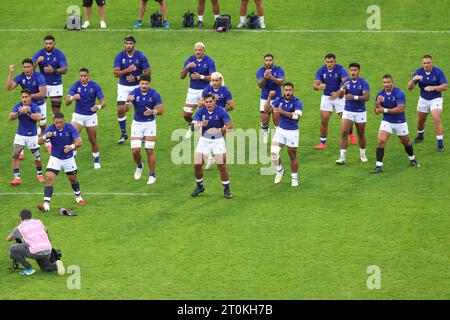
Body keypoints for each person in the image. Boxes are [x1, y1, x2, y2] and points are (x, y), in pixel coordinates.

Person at [370, 75, 421, 173]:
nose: (386, 84)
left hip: (399, 122)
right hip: (387, 122)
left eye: (388, 82)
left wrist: (384, 110)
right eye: (384, 82)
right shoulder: (380, 94)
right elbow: (376, 112)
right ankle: (378, 166)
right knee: (381, 141)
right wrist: (377, 103)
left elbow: (400, 109)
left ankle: (412, 159)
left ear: (392, 82)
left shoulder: (399, 93)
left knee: (406, 142)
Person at [37, 113, 84, 212]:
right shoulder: (50, 128)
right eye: (56, 122)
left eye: (60, 122)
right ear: (54, 122)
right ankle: (46, 204)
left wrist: (71, 147)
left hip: (68, 159)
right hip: (55, 158)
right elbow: (39, 142)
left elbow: (79, 141)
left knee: (73, 179)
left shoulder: (70, 128)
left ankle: (78, 196)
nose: (58, 124)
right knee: (49, 178)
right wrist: (45, 136)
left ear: (64, 121)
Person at [191, 94, 233, 199]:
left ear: (214, 101)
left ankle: (226, 189)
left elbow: (230, 127)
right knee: (197, 164)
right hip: (204, 140)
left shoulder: (221, 111)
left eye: (210, 101)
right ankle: (199, 186)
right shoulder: (201, 111)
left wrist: (219, 130)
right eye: (206, 102)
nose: (208, 104)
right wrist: (200, 124)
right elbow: (192, 127)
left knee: (221, 166)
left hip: (218, 141)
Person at [312, 53, 357, 149]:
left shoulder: (340, 69)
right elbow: (314, 85)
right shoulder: (321, 69)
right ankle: (322, 143)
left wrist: (337, 93)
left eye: (331, 62)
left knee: (345, 120)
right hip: (326, 97)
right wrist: (319, 86)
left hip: (339, 97)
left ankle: (351, 133)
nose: (329, 64)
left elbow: (345, 82)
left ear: (335, 62)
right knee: (324, 120)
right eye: (327, 62)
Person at [6, 58, 49, 155]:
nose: (26, 69)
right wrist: (10, 73)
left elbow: (42, 94)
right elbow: (9, 87)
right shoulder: (21, 76)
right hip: (26, 104)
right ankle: (21, 148)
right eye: (25, 67)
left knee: (42, 123)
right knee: (25, 123)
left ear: (33, 67)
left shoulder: (39, 77)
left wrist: (28, 96)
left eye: (28, 67)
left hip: (39, 104)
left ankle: (47, 140)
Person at [125, 75, 163, 185]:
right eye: (142, 83)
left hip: (150, 124)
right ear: (139, 83)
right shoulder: (133, 93)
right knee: (135, 151)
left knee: (149, 149)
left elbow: (161, 110)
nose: (144, 86)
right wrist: (128, 101)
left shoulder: (154, 94)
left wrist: (153, 112)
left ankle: (152, 175)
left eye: (146, 84)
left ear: (149, 84)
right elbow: (126, 110)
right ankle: (139, 165)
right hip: (137, 124)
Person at [114, 35, 151, 144]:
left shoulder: (140, 56)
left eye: (130, 43)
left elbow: (148, 72)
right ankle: (124, 133)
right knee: (121, 110)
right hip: (123, 87)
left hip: (137, 87)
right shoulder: (119, 56)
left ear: (134, 44)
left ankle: (144, 134)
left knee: (143, 110)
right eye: (126, 43)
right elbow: (116, 73)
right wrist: (127, 70)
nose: (128, 46)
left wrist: (136, 78)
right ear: (124, 44)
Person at [66, 68, 106, 169]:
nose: (83, 78)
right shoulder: (75, 85)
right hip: (78, 116)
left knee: (92, 139)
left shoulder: (95, 86)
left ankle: (96, 160)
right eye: (81, 76)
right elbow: (67, 102)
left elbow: (103, 102)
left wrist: (98, 107)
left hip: (91, 116)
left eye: (84, 76)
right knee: (74, 138)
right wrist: (71, 98)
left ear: (88, 76)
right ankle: (72, 161)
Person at [264, 83, 302, 187]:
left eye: (290, 90)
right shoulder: (279, 100)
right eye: (286, 90)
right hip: (281, 131)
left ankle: (294, 178)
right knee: (273, 153)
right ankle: (280, 171)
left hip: (292, 132)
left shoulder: (297, 102)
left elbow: (297, 117)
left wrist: (283, 112)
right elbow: (267, 110)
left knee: (292, 155)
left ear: (293, 91)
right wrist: (269, 97)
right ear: (283, 90)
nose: (288, 92)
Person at [7, 209, 65, 276]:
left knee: (13, 249)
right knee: (45, 268)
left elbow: (9, 239)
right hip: (48, 250)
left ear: (20, 218)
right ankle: (57, 265)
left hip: (35, 251)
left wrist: (19, 238)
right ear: (31, 216)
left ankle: (28, 269)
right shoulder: (38, 222)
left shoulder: (19, 227)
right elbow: (46, 230)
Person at [407, 55, 448, 152]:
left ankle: (440, 145)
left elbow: (445, 86)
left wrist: (433, 88)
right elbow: (409, 88)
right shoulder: (419, 72)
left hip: (436, 99)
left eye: (428, 63)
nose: (426, 65)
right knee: (421, 121)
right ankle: (420, 136)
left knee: (436, 119)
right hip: (423, 99)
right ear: (422, 63)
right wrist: (413, 79)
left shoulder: (438, 72)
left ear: (432, 62)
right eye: (424, 63)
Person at [336, 63, 370, 165]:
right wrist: (343, 88)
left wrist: (354, 97)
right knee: (344, 132)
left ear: (359, 71)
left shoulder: (363, 82)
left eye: (355, 70)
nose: (353, 72)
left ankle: (362, 154)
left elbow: (367, 97)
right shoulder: (346, 82)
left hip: (360, 112)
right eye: (351, 70)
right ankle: (342, 157)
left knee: (361, 134)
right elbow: (341, 96)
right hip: (348, 111)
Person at [180, 42, 216, 139]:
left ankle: (198, 131)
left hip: (205, 91)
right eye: (196, 50)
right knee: (186, 115)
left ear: (204, 50)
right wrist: (187, 67)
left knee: (203, 113)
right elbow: (181, 76)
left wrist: (200, 76)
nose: (198, 52)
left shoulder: (209, 61)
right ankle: (193, 125)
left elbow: (213, 78)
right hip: (192, 91)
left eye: (200, 50)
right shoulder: (190, 60)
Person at [198, 72, 234, 169]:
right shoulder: (207, 90)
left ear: (220, 81)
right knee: (206, 136)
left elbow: (231, 106)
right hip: (207, 116)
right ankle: (210, 157)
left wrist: (221, 110)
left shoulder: (225, 91)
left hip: (221, 118)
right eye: (212, 80)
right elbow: (200, 104)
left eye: (216, 80)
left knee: (218, 137)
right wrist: (210, 102)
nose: (214, 82)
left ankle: (215, 156)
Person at [8, 90, 44, 186]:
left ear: (30, 97)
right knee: (15, 155)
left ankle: (39, 174)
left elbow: (39, 117)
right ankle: (17, 177)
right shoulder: (18, 106)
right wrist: (19, 112)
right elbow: (10, 117)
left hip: (32, 136)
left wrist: (28, 112)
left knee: (37, 158)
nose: (24, 99)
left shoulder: (34, 106)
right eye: (23, 97)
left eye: (26, 97)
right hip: (20, 135)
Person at [32, 35, 68, 116]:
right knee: (38, 108)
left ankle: (55, 127)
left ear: (54, 43)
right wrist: (37, 62)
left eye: (50, 43)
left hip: (56, 85)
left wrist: (53, 70)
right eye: (46, 43)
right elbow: (30, 70)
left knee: (56, 110)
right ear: (44, 43)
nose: (48, 45)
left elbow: (65, 70)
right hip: (42, 86)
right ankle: (41, 127)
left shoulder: (59, 54)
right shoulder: (39, 53)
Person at [256, 54, 285, 144]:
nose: (268, 62)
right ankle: (266, 132)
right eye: (266, 61)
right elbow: (260, 85)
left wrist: (271, 77)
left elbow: (281, 82)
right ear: (264, 61)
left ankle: (277, 138)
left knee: (277, 119)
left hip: (277, 98)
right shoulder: (260, 71)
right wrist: (265, 77)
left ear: (273, 61)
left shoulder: (279, 69)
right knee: (264, 121)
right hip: (265, 98)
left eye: (270, 60)